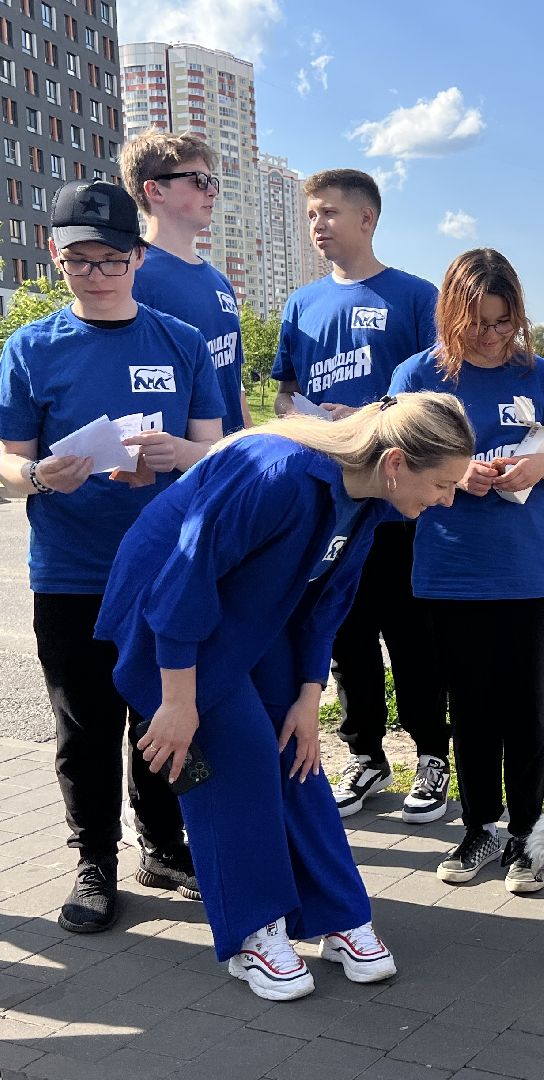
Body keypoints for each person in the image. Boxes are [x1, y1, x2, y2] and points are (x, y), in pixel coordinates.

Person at [93, 392, 475, 1002]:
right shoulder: (275, 475)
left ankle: (335, 915)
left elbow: (326, 604)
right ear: (397, 462)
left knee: (295, 751)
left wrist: (307, 696)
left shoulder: (371, 503)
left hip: (250, 613)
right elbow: (185, 579)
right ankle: (253, 932)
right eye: (445, 484)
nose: (449, 499)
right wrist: (177, 701)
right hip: (170, 614)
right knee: (239, 754)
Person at [0, 179, 225, 933]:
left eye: (110, 259)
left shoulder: (180, 342)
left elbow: (217, 450)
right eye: (79, 260)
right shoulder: (31, 348)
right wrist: (35, 475)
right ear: (54, 257)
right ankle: (93, 856)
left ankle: (163, 846)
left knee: (161, 715)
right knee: (85, 723)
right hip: (70, 569)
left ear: (137, 256)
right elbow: (7, 459)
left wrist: (179, 452)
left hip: (166, 565)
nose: (95, 274)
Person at [389, 248, 544, 893]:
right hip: (451, 571)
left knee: (526, 706)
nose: (494, 337)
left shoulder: (539, 374)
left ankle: (529, 834)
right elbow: (390, 464)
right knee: (469, 707)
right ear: (452, 314)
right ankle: (479, 828)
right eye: (480, 324)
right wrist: (456, 474)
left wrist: (536, 468)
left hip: (528, 572)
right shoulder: (419, 377)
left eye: (505, 323)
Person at [271, 169, 451, 824]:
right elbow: (285, 395)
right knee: (343, 634)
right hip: (330, 502)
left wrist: (374, 416)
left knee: (412, 635)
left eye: (327, 213)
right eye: (311, 214)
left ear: (367, 218)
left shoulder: (412, 296)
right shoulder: (302, 304)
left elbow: (437, 395)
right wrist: (304, 421)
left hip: (397, 502)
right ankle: (365, 755)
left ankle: (433, 753)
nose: (316, 225)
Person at [121, 130, 249, 435]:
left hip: (226, 460)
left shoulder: (219, 280)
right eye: (198, 180)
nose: (211, 191)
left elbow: (233, 378)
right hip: (173, 468)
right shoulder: (131, 275)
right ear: (155, 190)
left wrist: (249, 440)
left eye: (212, 182)